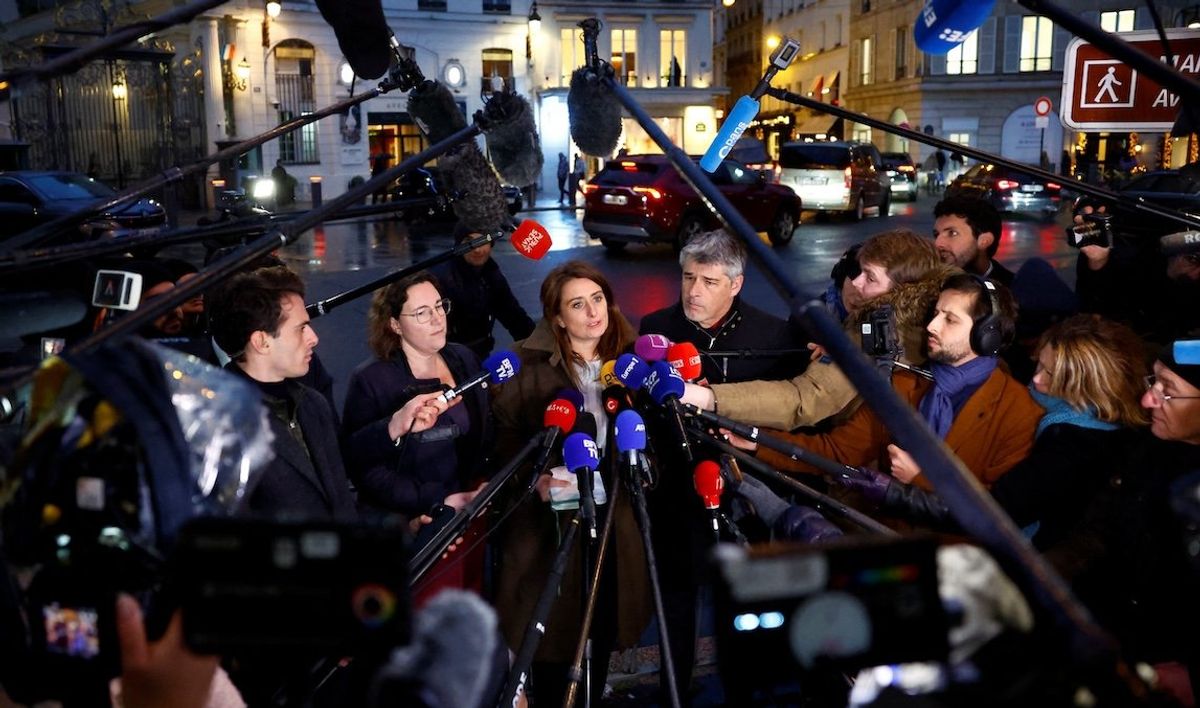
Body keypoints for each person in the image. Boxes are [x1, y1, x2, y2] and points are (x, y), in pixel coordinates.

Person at [835, 314, 1149, 550]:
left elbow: (997, 513)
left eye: (1051, 375)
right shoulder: (1080, 412)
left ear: (1088, 386)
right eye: (1038, 365)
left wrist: (916, 480)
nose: (1036, 381)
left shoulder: (1072, 447)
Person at [491, 260, 650, 707]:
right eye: (577, 304)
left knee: (599, 629)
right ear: (557, 317)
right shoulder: (526, 366)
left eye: (597, 299)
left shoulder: (632, 358)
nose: (592, 312)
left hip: (613, 519)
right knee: (551, 639)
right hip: (550, 529)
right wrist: (535, 478)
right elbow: (503, 450)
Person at [736, 274, 1041, 491]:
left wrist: (923, 478)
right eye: (936, 314)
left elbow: (1002, 510)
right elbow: (839, 451)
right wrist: (756, 441)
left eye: (950, 320)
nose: (931, 326)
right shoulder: (905, 383)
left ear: (987, 337)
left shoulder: (1018, 412)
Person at [1041, 337, 1200, 699]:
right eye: (1153, 383)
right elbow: (1097, 532)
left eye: (1168, 391)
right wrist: (1040, 575)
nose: (1148, 400)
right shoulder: (1143, 447)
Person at [682, 229, 944, 431]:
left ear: (902, 287)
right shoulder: (926, 319)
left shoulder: (874, 330)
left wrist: (705, 398)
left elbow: (803, 400)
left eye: (870, 277)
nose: (856, 282)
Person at [341, 272, 492, 597]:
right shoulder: (372, 380)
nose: (437, 319)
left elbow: (484, 433)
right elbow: (362, 467)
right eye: (422, 313)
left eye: (439, 306)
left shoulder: (463, 358)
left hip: (472, 512)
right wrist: (435, 501)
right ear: (395, 324)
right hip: (420, 525)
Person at [207, 265, 356, 522]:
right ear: (261, 342)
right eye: (301, 328)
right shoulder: (222, 423)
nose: (313, 337)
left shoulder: (313, 404)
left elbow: (341, 500)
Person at [640, 228, 807, 385]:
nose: (693, 292)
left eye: (709, 282)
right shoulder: (655, 329)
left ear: (735, 285)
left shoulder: (774, 336)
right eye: (689, 278)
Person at [431, 221, 535, 360]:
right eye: (469, 242)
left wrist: (538, 347)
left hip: (480, 355)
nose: (477, 249)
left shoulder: (490, 273)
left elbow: (513, 315)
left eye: (483, 241)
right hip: (446, 359)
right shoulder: (441, 278)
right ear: (459, 245)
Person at [932, 195, 1013, 285]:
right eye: (936, 235)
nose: (937, 243)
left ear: (984, 241)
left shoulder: (1015, 289)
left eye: (952, 233)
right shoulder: (928, 286)